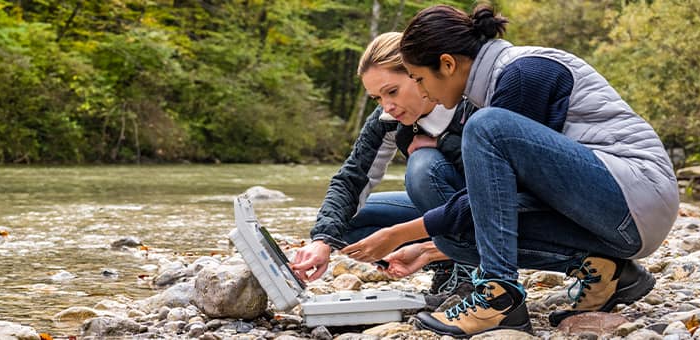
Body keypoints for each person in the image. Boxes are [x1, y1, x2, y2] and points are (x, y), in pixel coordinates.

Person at [340, 4, 679, 338]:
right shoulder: (494, 85)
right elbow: (495, 202)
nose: (423, 91)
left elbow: (490, 198)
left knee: (486, 127)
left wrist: (401, 234)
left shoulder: (522, 73)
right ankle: (609, 273)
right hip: (615, 216)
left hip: (634, 198)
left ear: (447, 64)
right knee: (456, 237)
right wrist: (431, 244)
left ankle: (498, 297)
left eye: (419, 79)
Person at [288, 32, 478, 301]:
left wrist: (440, 142)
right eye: (376, 97)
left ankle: (472, 268)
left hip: (488, 211)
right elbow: (351, 179)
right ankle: (447, 264)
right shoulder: (389, 117)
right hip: (440, 214)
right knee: (345, 222)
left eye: (392, 91)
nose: (387, 106)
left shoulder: (470, 101)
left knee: (423, 166)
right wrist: (322, 241)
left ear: (417, 73)